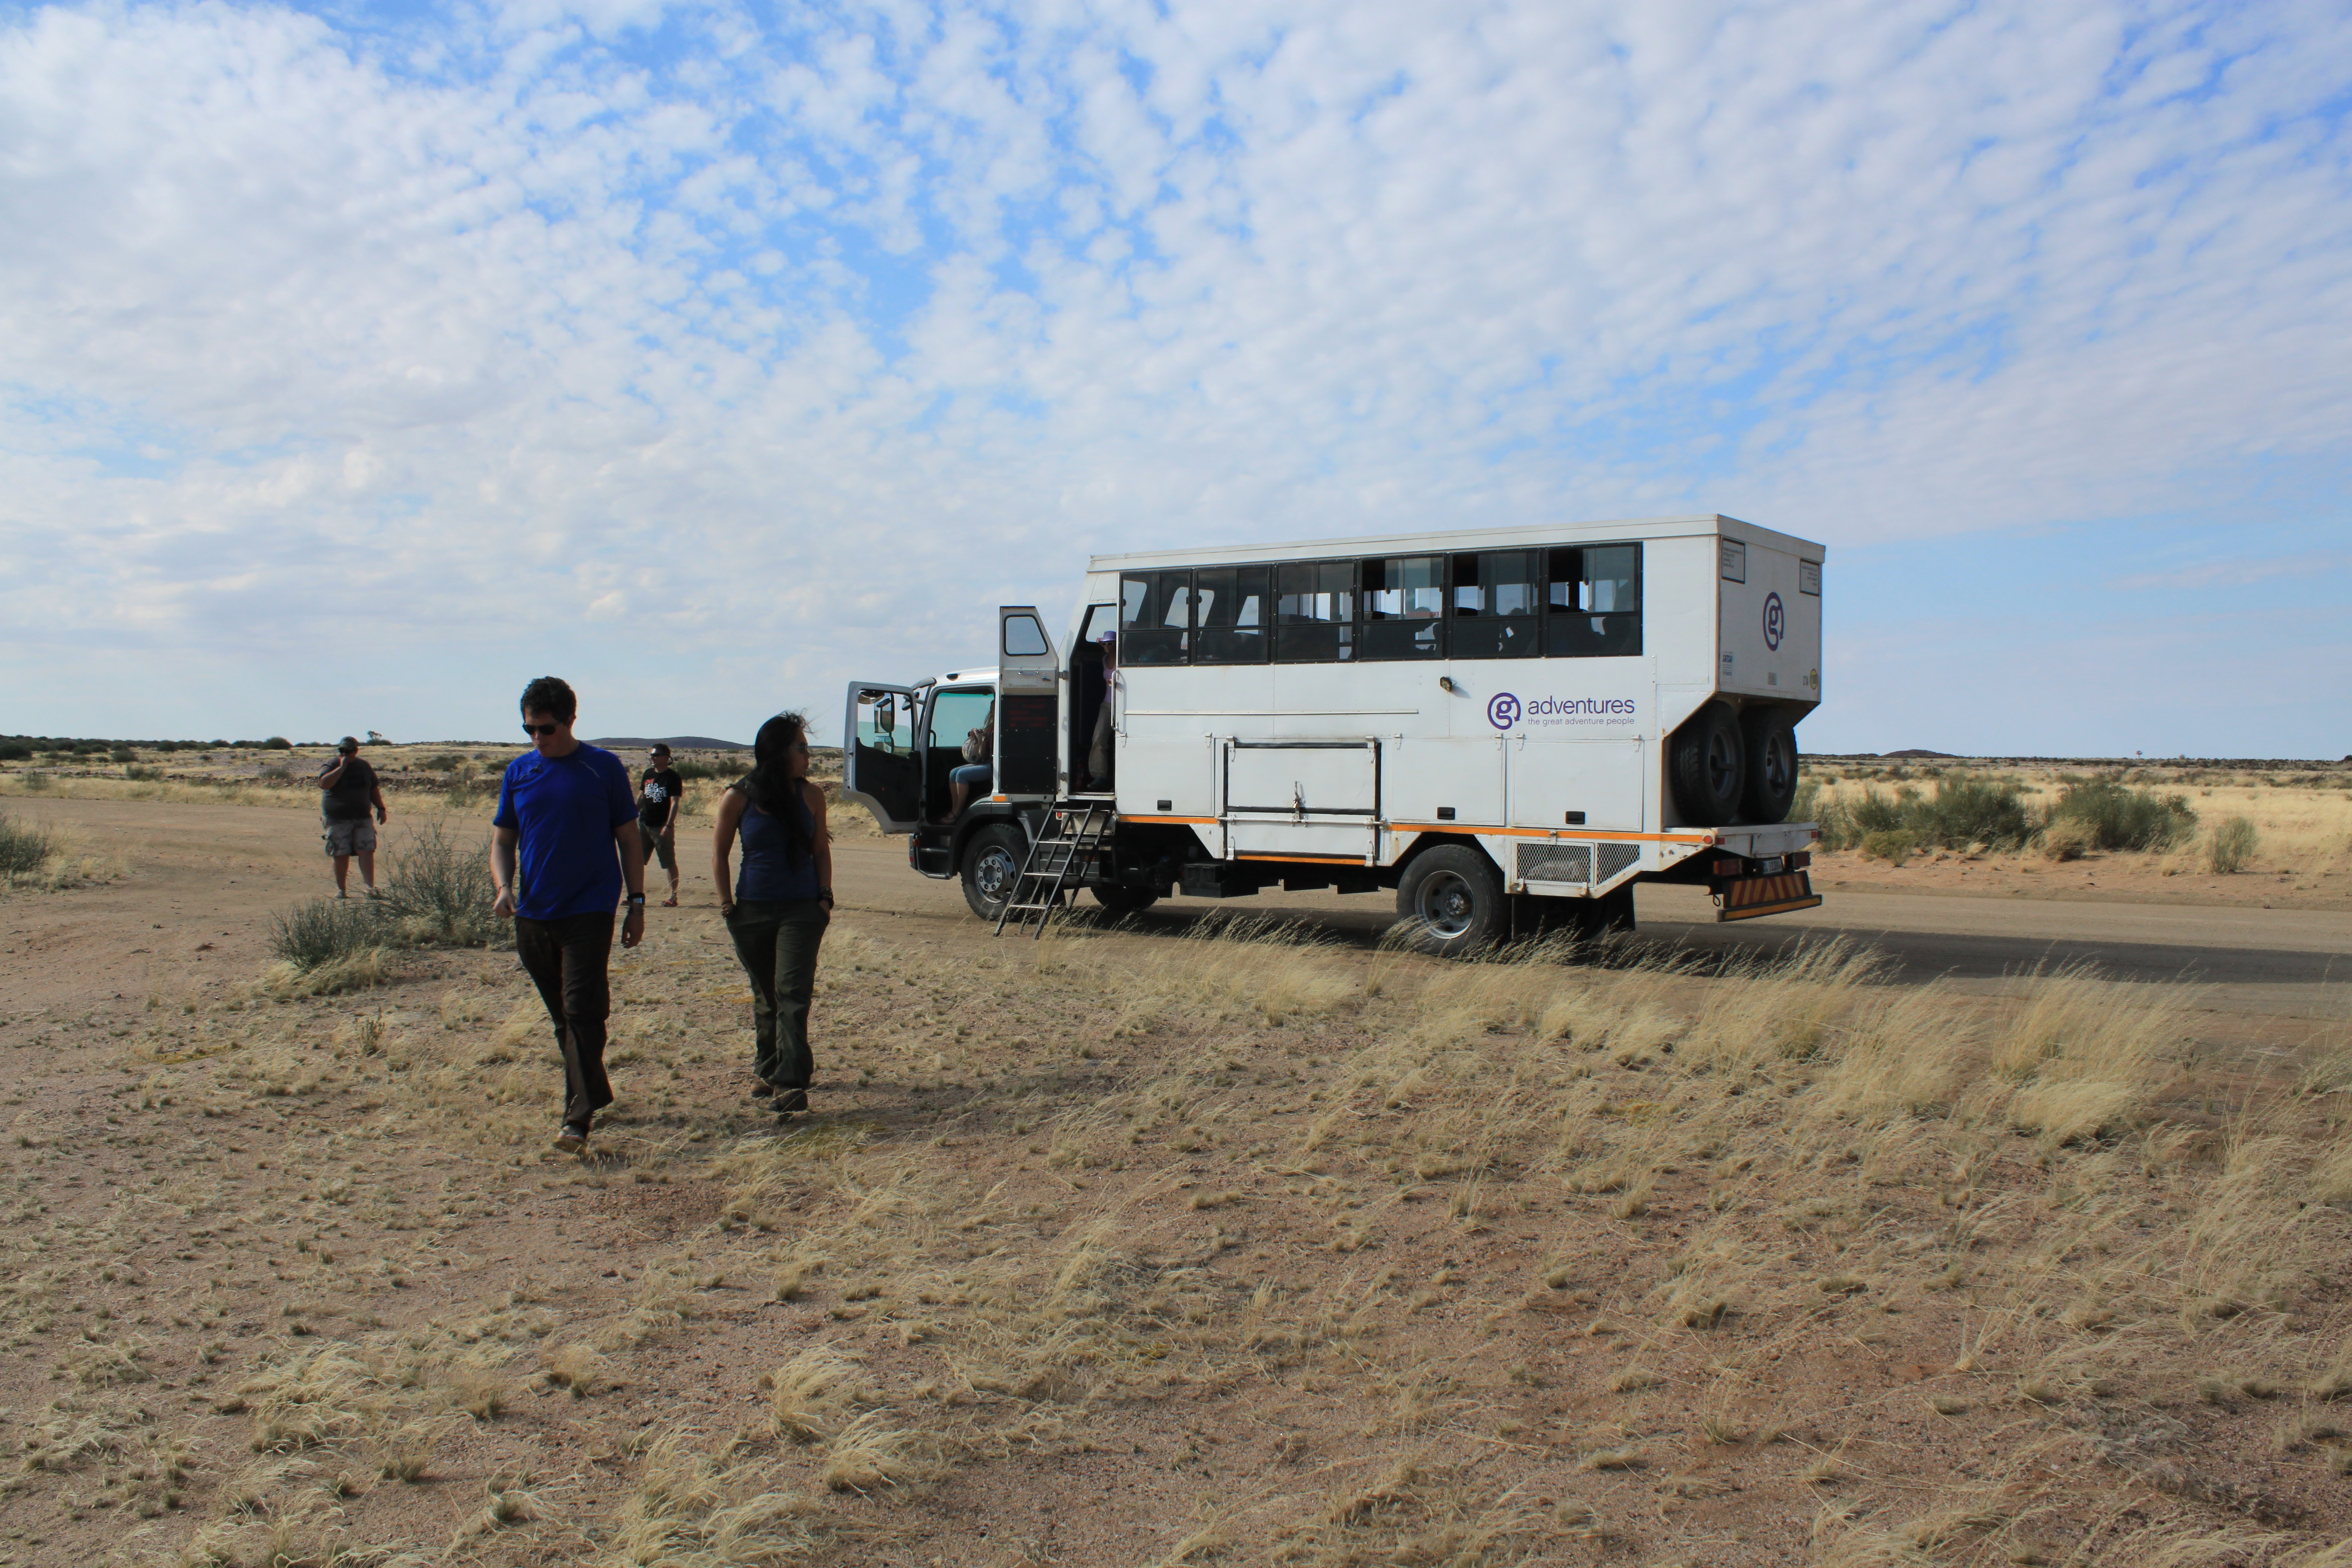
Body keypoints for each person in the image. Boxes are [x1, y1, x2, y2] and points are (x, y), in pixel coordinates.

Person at [490, 677, 647, 1155]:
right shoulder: (519, 772)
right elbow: (502, 839)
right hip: (533, 913)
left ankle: (576, 1118)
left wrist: (636, 902)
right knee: (565, 1018)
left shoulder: (603, 768)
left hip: (589, 908)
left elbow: (628, 838)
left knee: (583, 1009)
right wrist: (502, 886)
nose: (538, 738)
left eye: (547, 729)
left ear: (570, 720)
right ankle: (594, 1090)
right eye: (529, 729)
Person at [712, 713, 833, 1114]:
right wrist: (727, 904)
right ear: (780, 752)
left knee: (792, 993)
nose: (808, 755)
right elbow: (719, 853)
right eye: (801, 747)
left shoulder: (812, 796)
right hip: (752, 910)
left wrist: (824, 898)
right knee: (766, 995)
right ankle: (767, 1068)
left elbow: (821, 850)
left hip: (801, 909)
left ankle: (791, 1082)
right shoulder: (739, 797)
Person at [316, 736, 388, 897]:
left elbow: (373, 789)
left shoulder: (364, 766)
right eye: (342, 751)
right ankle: (342, 891)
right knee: (340, 853)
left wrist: (381, 808)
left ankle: (370, 888)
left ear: (356, 751)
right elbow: (324, 784)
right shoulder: (332, 765)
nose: (346, 754)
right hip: (337, 818)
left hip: (363, 817)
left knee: (367, 850)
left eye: (349, 751)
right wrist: (341, 768)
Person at [637, 744, 685, 907]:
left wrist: (669, 825)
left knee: (668, 862)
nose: (653, 758)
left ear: (666, 758)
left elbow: (674, 803)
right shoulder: (648, 774)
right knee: (637, 862)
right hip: (644, 823)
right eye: (651, 755)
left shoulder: (672, 778)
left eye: (656, 755)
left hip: (661, 826)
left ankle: (673, 897)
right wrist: (630, 816)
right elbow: (642, 797)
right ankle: (637, 898)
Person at [948, 700, 994, 818]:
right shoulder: (991, 725)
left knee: (962, 775)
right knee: (954, 773)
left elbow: (986, 745)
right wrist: (974, 733)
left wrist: (982, 738)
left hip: (994, 765)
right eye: (992, 708)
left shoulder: (1000, 726)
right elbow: (984, 737)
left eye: (995, 708)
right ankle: (954, 809)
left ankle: (958, 811)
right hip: (985, 761)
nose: (993, 711)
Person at [1086, 631, 1119, 790]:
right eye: (1104, 644)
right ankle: (1099, 775)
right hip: (1107, 704)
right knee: (1099, 737)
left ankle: (1120, 778)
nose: (1107, 646)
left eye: (1110, 643)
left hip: (1122, 705)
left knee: (1121, 741)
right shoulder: (1104, 660)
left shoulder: (1124, 659)